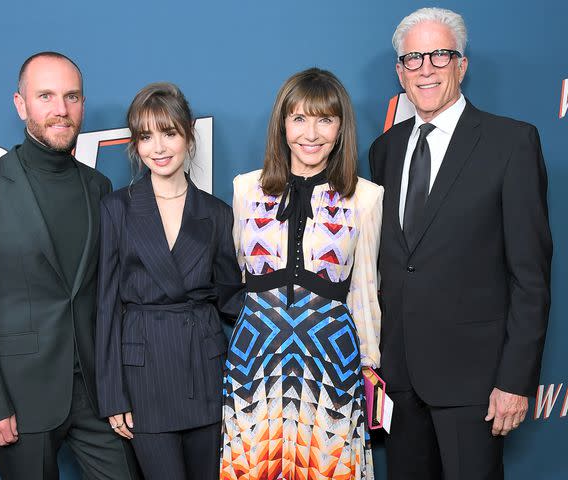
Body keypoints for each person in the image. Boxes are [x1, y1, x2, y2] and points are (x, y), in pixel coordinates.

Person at [369, 7, 552, 479]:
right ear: (400, 72)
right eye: (413, 58)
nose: (425, 68)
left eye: (440, 55)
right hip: (400, 384)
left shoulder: (510, 143)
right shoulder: (384, 150)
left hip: (477, 385)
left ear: (462, 64)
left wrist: (514, 381)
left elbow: (530, 276)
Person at [0, 52, 139, 479]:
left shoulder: (98, 187)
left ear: (83, 104)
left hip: (95, 394)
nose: (60, 109)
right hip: (19, 399)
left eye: (71, 97)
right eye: (46, 96)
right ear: (21, 104)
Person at [222, 68, 383, 480]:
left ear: (341, 127)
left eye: (325, 119)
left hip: (331, 357)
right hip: (256, 358)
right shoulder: (246, 188)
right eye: (299, 119)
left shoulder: (365, 196)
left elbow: (364, 288)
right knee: (257, 467)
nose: (311, 134)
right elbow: (240, 276)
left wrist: (368, 365)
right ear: (282, 124)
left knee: (326, 467)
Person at [95, 82, 243, 480]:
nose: (158, 148)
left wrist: (288, 310)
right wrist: (112, 394)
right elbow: (106, 305)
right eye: (146, 136)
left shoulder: (216, 213)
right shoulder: (117, 209)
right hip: (144, 376)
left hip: (205, 369)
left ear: (188, 134)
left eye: (169, 133)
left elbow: (232, 298)